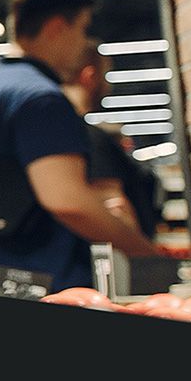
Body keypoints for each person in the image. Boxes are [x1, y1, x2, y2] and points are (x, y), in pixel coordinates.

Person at [0, 0, 159, 292]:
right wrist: (142, 250)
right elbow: (66, 200)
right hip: (39, 287)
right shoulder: (40, 96)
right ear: (56, 28)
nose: (83, 42)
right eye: (82, 29)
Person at [58, 44, 164, 239]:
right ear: (89, 75)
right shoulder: (87, 137)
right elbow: (114, 206)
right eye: (105, 75)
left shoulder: (63, 134)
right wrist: (144, 252)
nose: (107, 86)